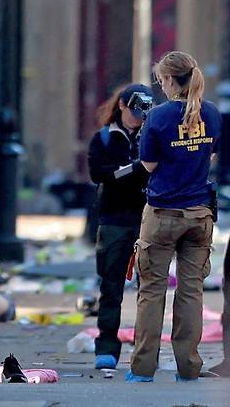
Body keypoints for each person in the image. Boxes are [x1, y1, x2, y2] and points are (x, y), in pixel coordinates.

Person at [125, 51, 222, 382]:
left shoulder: (159, 117)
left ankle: (142, 369)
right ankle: (189, 367)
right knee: (191, 290)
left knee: (152, 291)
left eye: (161, 80)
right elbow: (210, 158)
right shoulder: (211, 113)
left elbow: (149, 165)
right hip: (199, 213)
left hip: (163, 212)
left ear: (168, 80)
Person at [87, 83, 154, 370]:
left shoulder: (152, 135)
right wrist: (136, 168)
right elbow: (98, 174)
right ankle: (107, 346)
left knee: (149, 287)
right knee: (111, 285)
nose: (140, 118)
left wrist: (125, 172)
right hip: (114, 218)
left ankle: (144, 350)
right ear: (123, 106)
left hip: (148, 217)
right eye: (135, 111)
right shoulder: (104, 138)